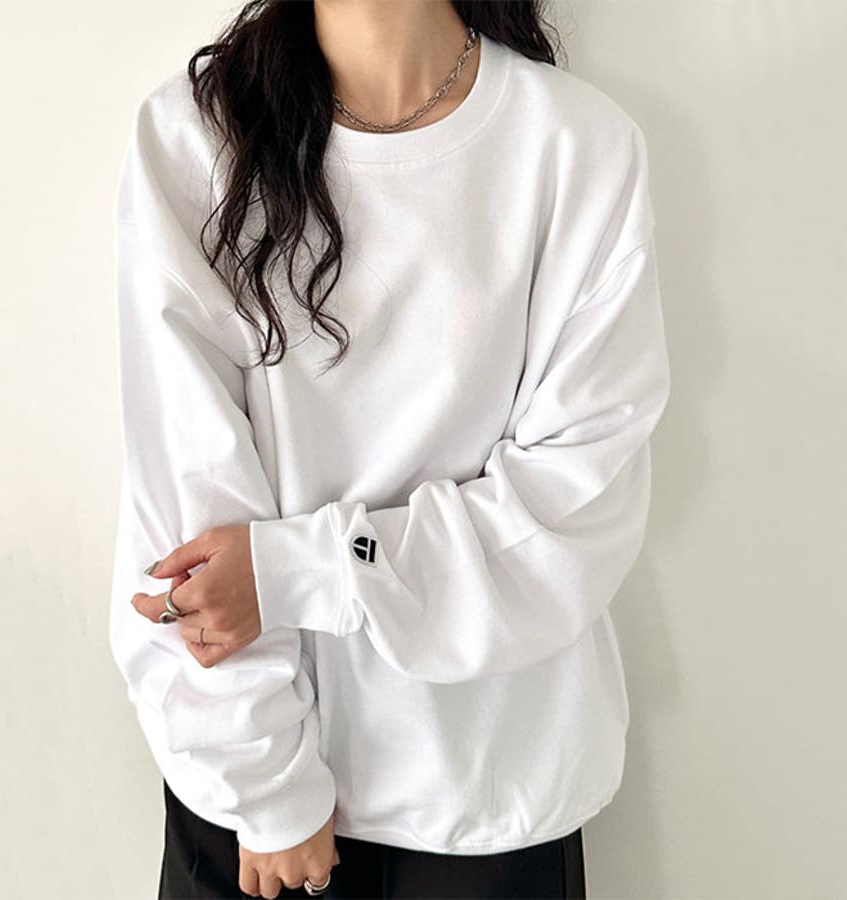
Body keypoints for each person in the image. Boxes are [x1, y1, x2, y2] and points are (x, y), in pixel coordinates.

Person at [108, 1, 671, 898]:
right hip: (248, 812)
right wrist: (268, 788)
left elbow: (573, 506)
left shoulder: (574, 147)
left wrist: (307, 570)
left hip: (489, 799)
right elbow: (183, 516)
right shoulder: (195, 139)